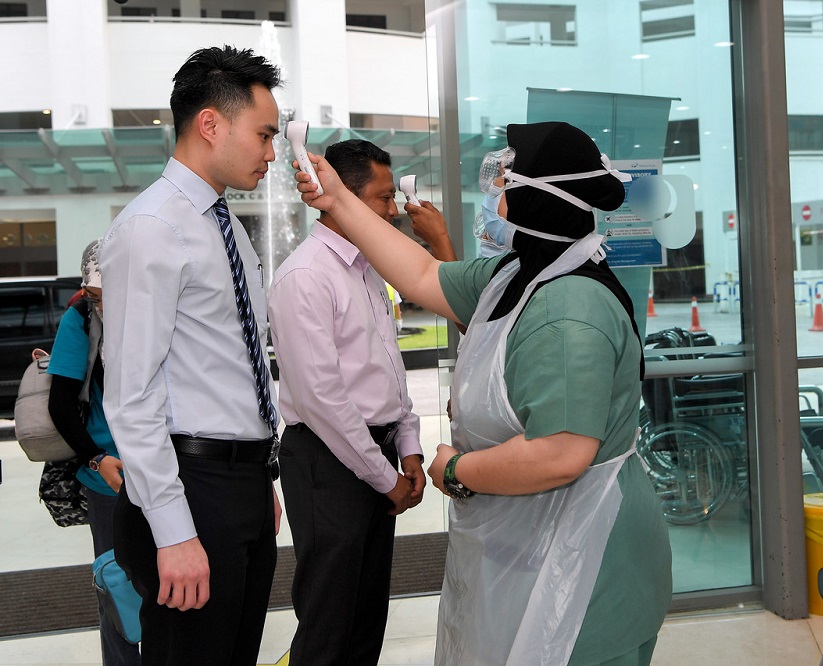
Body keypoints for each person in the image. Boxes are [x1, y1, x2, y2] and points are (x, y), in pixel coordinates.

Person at [293, 121, 672, 665]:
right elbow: (422, 273)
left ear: (537, 198)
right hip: (527, 545)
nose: (495, 195)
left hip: (584, 558)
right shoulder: (513, 276)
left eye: (506, 182)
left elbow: (560, 453)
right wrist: (339, 201)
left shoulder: (570, 311)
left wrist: (455, 472)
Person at [99, 45, 283, 665]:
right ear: (211, 124)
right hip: (190, 488)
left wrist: (260, 479)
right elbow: (130, 395)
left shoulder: (220, 224)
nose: (271, 152)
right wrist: (173, 531)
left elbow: (229, 365)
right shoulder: (152, 226)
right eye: (263, 134)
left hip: (240, 484)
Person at [268, 139, 427, 665]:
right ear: (343, 197)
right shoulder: (305, 275)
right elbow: (323, 401)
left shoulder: (369, 267)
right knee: (328, 624)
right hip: (328, 463)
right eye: (383, 198)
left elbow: (389, 370)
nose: (392, 209)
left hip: (376, 456)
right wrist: (388, 480)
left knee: (365, 622)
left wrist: (409, 451)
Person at [47, 240, 141, 666]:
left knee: (174, 584)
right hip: (109, 476)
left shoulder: (158, 308)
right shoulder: (81, 317)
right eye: (94, 296)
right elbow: (61, 404)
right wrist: (95, 459)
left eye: (107, 297)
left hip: (172, 467)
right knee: (118, 587)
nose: (100, 305)